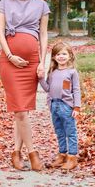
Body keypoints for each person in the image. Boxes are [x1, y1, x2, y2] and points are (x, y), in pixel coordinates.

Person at [0, 0, 50, 171]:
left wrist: (42, 63)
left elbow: (43, 35)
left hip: (31, 63)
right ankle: (32, 153)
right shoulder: (4, 3)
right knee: (20, 110)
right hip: (10, 62)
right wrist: (10, 55)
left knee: (22, 111)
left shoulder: (41, 5)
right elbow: (0, 32)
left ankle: (15, 153)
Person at [38, 41, 81, 170]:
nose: (61, 56)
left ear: (70, 56)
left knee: (70, 132)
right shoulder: (52, 72)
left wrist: (76, 107)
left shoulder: (72, 72)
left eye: (64, 54)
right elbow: (47, 88)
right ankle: (62, 155)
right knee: (60, 132)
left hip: (66, 105)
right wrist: (40, 79)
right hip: (54, 105)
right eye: (58, 54)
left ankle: (72, 157)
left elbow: (76, 90)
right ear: (54, 57)